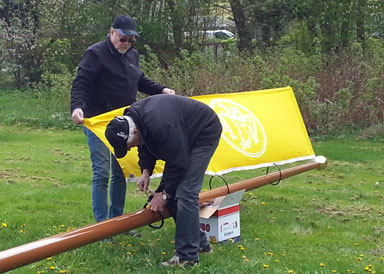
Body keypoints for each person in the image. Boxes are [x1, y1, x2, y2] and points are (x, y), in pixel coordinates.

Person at [70, 15, 175, 229]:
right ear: (112, 33)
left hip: (125, 122)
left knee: (120, 172)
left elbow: (140, 81)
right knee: (101, 171)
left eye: (130, 40)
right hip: (98, 122)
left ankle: (116, 222)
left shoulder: (132, 55)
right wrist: (77, 107)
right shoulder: (95, 54)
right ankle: (101, 227)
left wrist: (162, 90)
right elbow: (81, 82)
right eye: (122, 38)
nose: (126, 43)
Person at [105, 94, 222, 267]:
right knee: (175, 193)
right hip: (182, 134)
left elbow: (178, 162)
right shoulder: (133, 118)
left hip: (203, 132)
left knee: (185, 192)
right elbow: (145, 145)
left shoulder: (160, 125)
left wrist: (164, 194)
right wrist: (145, 172)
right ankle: (201, 244)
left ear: (135, 131)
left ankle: (187, 257)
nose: (130, 148)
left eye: (129, 144)